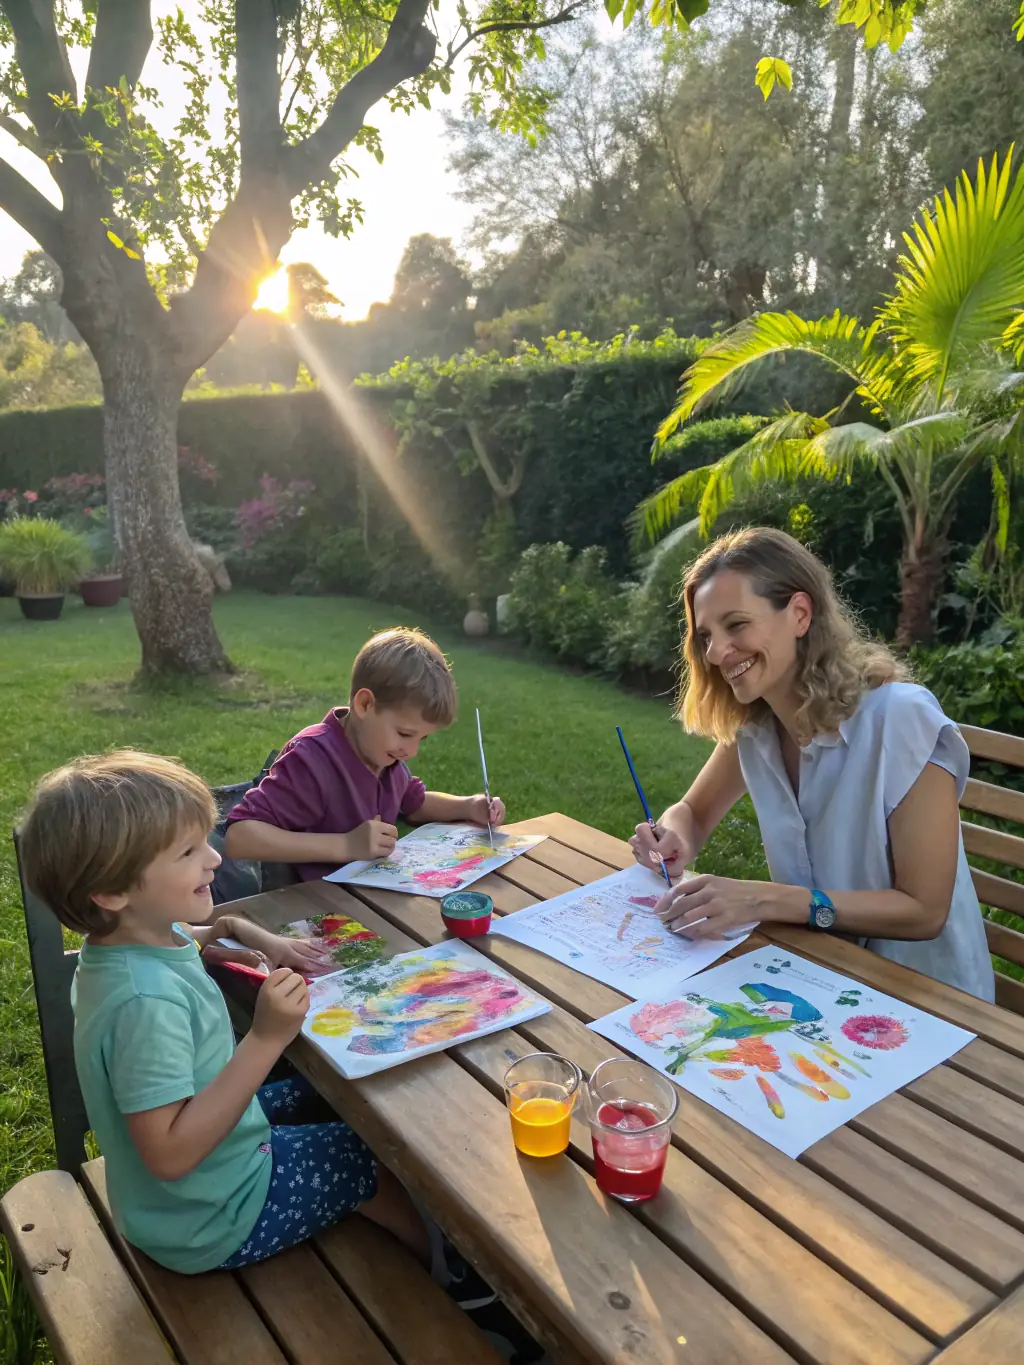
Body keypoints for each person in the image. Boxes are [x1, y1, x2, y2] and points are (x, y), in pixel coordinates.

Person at [18, 751, 432, 1274]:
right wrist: (265, 1038)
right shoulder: (143, 1004)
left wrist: (245, 934)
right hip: (209, 1216)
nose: (214, 858)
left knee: (324, 1094)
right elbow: (169, 1154)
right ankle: (448, 1277)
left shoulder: (133, 940)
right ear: (112, 892)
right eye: (188, 851)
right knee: (371, 1153)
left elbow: (195, 936)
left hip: (188, 1187)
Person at [631, 527, 995, 1002]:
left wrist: (764, 900)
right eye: (706, 636)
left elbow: (925, 911)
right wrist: (673, 837)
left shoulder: (900, 720)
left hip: (928, 1002)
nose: (716, 652)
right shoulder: (758, 726)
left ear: (800, 614)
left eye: (736, 625)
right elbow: (693, 813)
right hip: (817, 977)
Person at [224, 627, 505, 879]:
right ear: (365, 704)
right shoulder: (313, 759)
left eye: (423, 738)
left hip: (371, 894)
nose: (412, 751)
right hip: (312, 904)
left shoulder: (384, 756)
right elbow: (240, 837)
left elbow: (414, 803)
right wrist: (346, 845)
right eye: (405, 734)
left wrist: (469, 806)